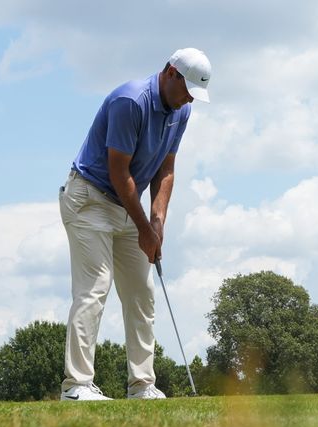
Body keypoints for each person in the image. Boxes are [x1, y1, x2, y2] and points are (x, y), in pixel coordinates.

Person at [58, 48, 211, 401]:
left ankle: (142, 385)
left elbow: (166, 169)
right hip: (89, 199)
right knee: (95, 288)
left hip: (126, 205)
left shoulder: (181, 110)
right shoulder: (131, 101)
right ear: (170, 72)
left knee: (142, 293)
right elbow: (118, 172)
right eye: (186, 88)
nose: (189, 98)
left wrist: (157, 221)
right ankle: (76, 386)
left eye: (193, 94)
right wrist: (144, 227)